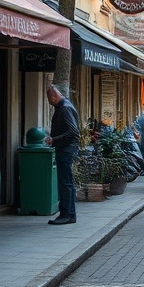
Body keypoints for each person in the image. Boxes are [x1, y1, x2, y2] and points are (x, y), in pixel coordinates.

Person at [45, 84, 81, 225]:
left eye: (49, 98)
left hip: (66, 150)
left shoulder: (64, 108)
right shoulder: (64, 106)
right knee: (66, 183)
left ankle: (68, 214)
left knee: (66, 183)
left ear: (54, 96)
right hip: (66, 149)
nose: (48, 101)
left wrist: (54, 140)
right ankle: (67, 213)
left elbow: (73, 132)